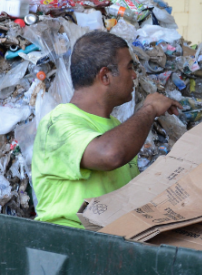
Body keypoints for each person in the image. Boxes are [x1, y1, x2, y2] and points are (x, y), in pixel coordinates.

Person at [32, 31, 179, 228]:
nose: (134, 75)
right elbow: (110, 154)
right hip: (65, 247)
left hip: (107, 247)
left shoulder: (117, 129)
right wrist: (150, 109)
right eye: (129, 68)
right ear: (105, 76)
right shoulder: (58, 123)